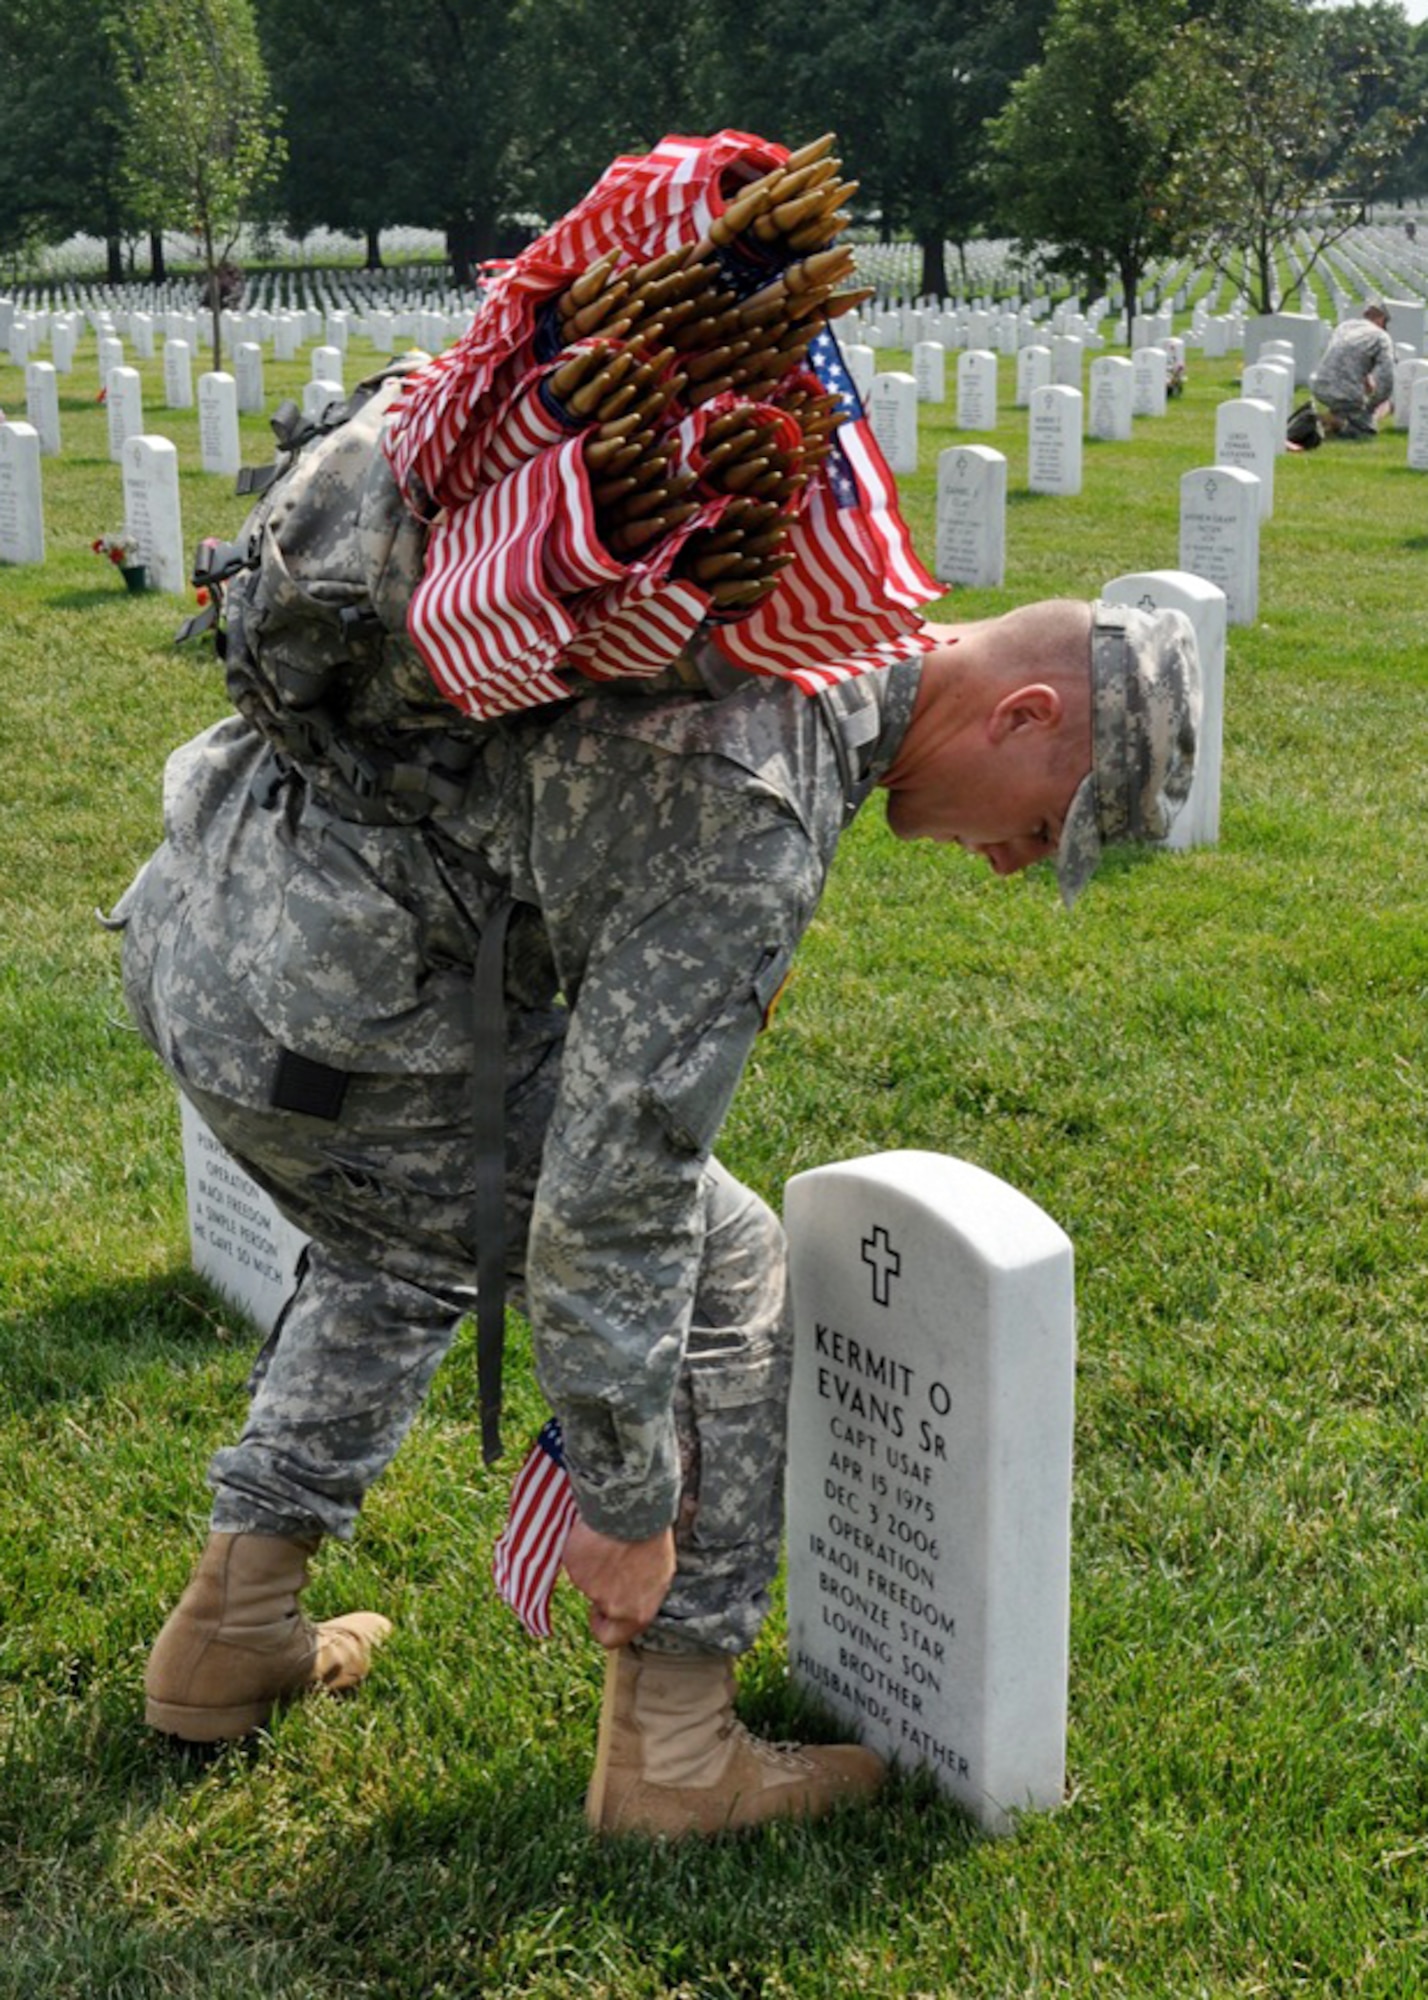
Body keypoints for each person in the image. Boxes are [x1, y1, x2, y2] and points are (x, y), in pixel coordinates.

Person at [114, 580, 1198, 1837]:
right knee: (724, 1272)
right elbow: (615, 1192)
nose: (1016, 861)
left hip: (204, 929)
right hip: (330, 1027)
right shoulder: (761, 803)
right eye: (1051, 825)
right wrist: (627, 1505)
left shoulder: (794, 615)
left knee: (410, 1223)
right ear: (1023, 713)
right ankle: (676, 1747)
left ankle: (231, 1631)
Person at [1309, 301, 1396, 439]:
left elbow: (1345, 358)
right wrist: (1372, 406)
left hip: (1320, 385)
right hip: (1346, 393)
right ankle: (1322, 421)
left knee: (1348, 409)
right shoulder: (1381, 336)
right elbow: (1387, 378)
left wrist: (1366, 379)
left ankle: (1333, 419)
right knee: (1367, 431)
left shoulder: (1346, 326)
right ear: (1381, 319)